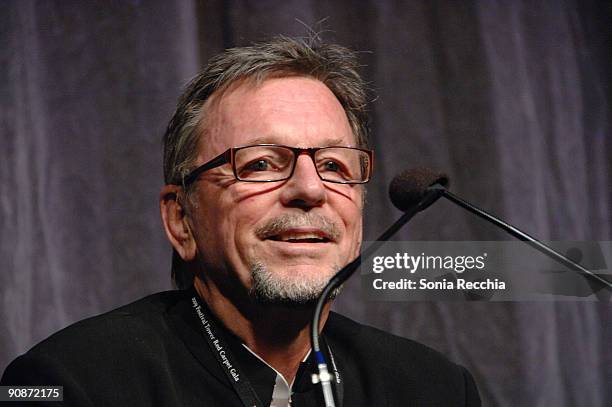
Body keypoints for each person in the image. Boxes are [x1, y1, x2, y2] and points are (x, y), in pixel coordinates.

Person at [1, 37, 480, 406]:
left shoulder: (433, 389)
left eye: (335, 166)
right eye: (261, 165)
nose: (310, 190)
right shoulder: (69, 382)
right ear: (181, 219)